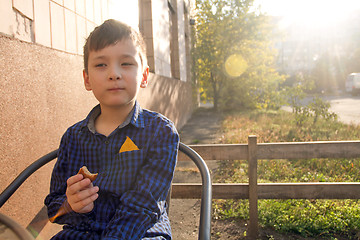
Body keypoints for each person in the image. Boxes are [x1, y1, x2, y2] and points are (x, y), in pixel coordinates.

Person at [44, 19, 179, 240]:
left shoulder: (160, 131)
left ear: (144, 76)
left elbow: (143, 206)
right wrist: (70, 204)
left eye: (126, 63)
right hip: (82, 233)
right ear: (87, 79)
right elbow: (53, 208)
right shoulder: (72, 137)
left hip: (140, 232)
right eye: (101, 65)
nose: (114, 73)